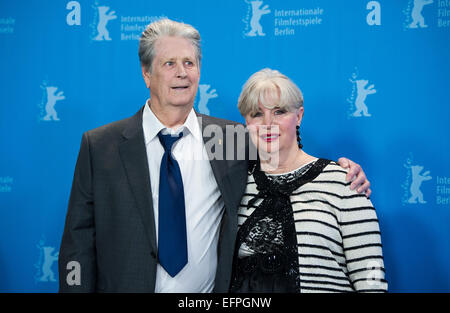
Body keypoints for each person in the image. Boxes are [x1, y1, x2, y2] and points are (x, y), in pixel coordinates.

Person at [58, 18, 371, 293]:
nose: (182, 73)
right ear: (146, 74)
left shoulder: (232, 138)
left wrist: (343, 170)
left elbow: (286, 166)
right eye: (169, 64)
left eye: (189, 63)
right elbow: (78, 244)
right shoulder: (101, 146)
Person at [229, 68, 388, 293]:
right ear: (246, 122)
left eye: (279, 112)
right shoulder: (235, 184)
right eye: (256, 113)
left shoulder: (344, 181)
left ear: (299, 116)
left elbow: (371, 280)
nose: (267, 123)